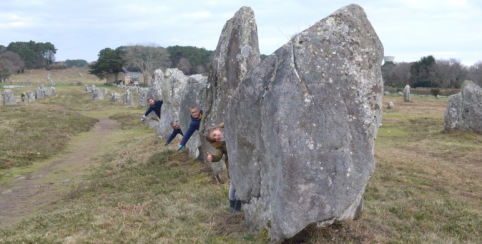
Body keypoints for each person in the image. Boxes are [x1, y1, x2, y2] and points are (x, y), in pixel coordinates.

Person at [206, 123, 241, 214]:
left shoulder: (227, 129)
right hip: (232, 166)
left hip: (241, 163)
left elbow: (228, 120)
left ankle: (234, 207)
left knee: (235, 186)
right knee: (235, 187)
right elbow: (218, 155)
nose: (216, 137)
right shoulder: (220, 145)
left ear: (217, 129)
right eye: (214, 138)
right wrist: (212, 158)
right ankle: (235, 207)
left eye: (215, 134)